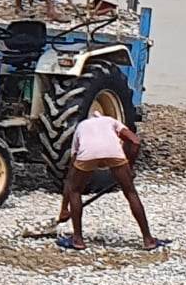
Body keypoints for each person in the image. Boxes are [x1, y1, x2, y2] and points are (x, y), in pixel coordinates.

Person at [57, 107, 161, 251]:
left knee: (75, 191)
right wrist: (129, 167)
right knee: (130, 192)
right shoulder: (112, 121)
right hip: (114, 153)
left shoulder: (81, 126)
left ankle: (78, 240)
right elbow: (135, 142)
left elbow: (72, 168)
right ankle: (148, 240)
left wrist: (64, 209)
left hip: (87, 154)